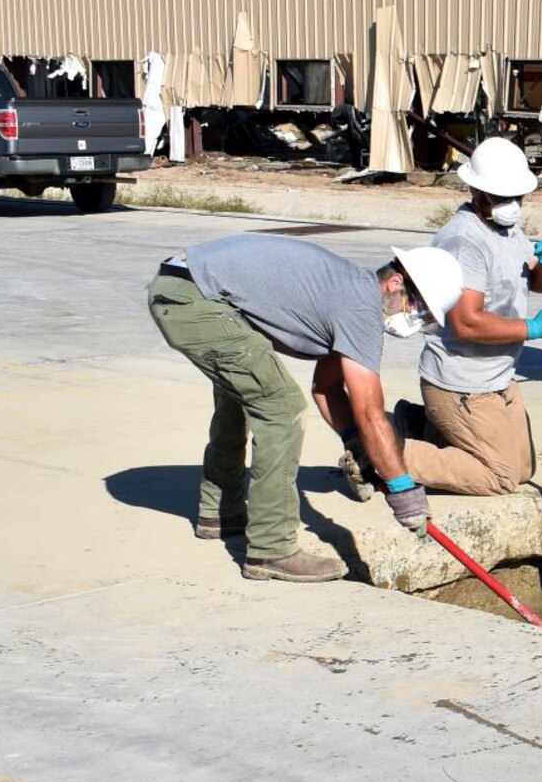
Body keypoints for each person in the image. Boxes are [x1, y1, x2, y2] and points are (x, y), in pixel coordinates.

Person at [146, 236, 463, 581]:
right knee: (281, 407)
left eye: (425, 316)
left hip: (184, 286)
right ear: (395, 282)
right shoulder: (360, 308)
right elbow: (372, 412)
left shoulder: (349, 292)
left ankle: (220, 513)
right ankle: (271, 549)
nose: (414, 318)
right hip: (191, 298)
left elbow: (326, 388)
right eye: (417, 307)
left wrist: (354, 440)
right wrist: (402, 489)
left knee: (244, 393)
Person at [342, 137, 542, 498]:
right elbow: (467, 322)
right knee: (500, 477)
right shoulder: (464, 241)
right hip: (463, 385)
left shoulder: (508, 228)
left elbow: (539, 282)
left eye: (516, 198)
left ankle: (418, 424)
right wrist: (532, 328)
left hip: (498, 378)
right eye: (501, 197)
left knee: (524, 468)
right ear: (476, 191)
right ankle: (381, 452)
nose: (511, 206)